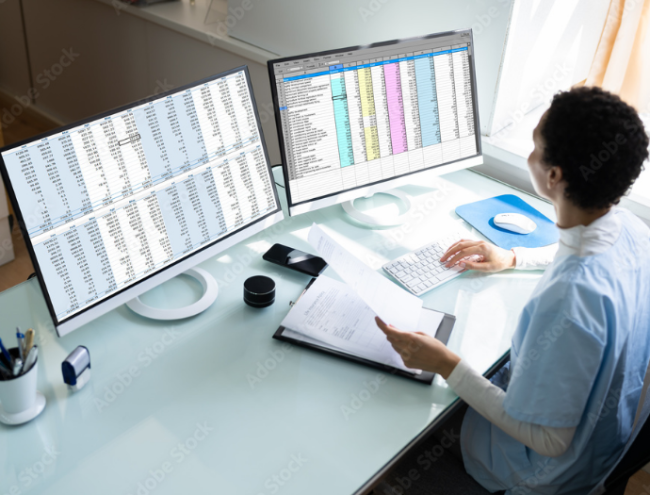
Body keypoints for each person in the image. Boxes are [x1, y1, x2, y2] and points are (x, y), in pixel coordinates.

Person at [375, 86, 650, 494]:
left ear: (553, 175)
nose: (529, 155)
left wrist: (448, 365)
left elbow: (549, 440)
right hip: (607, 441)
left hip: (538, 470)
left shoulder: (570, 300)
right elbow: (581, 248)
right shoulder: (634, 229)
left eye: (535, 146)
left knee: (393, 422)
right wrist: (514, 257)